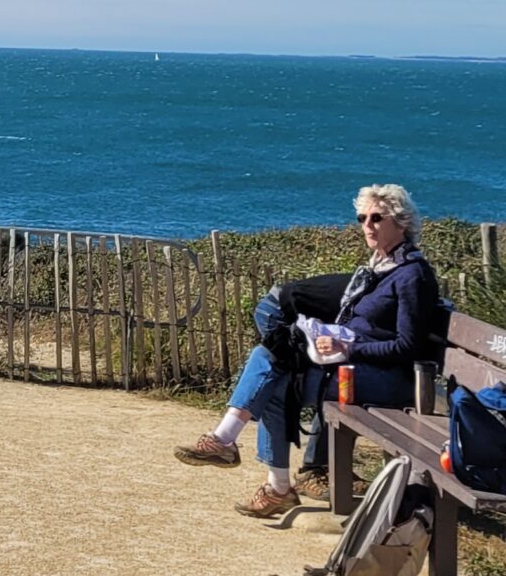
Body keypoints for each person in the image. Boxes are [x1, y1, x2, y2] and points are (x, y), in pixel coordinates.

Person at [174, 184, 445, 518]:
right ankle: (266, 478)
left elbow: (408, 346)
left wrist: (349, 347)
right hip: (355, 367)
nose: (367, 225)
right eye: (362, 218)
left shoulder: (412, 275)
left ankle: (236, 450)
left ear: (401, 222)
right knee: (274, 368)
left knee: (273, 374)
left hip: (386, 380)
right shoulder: (381, 266)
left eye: (377, 218)